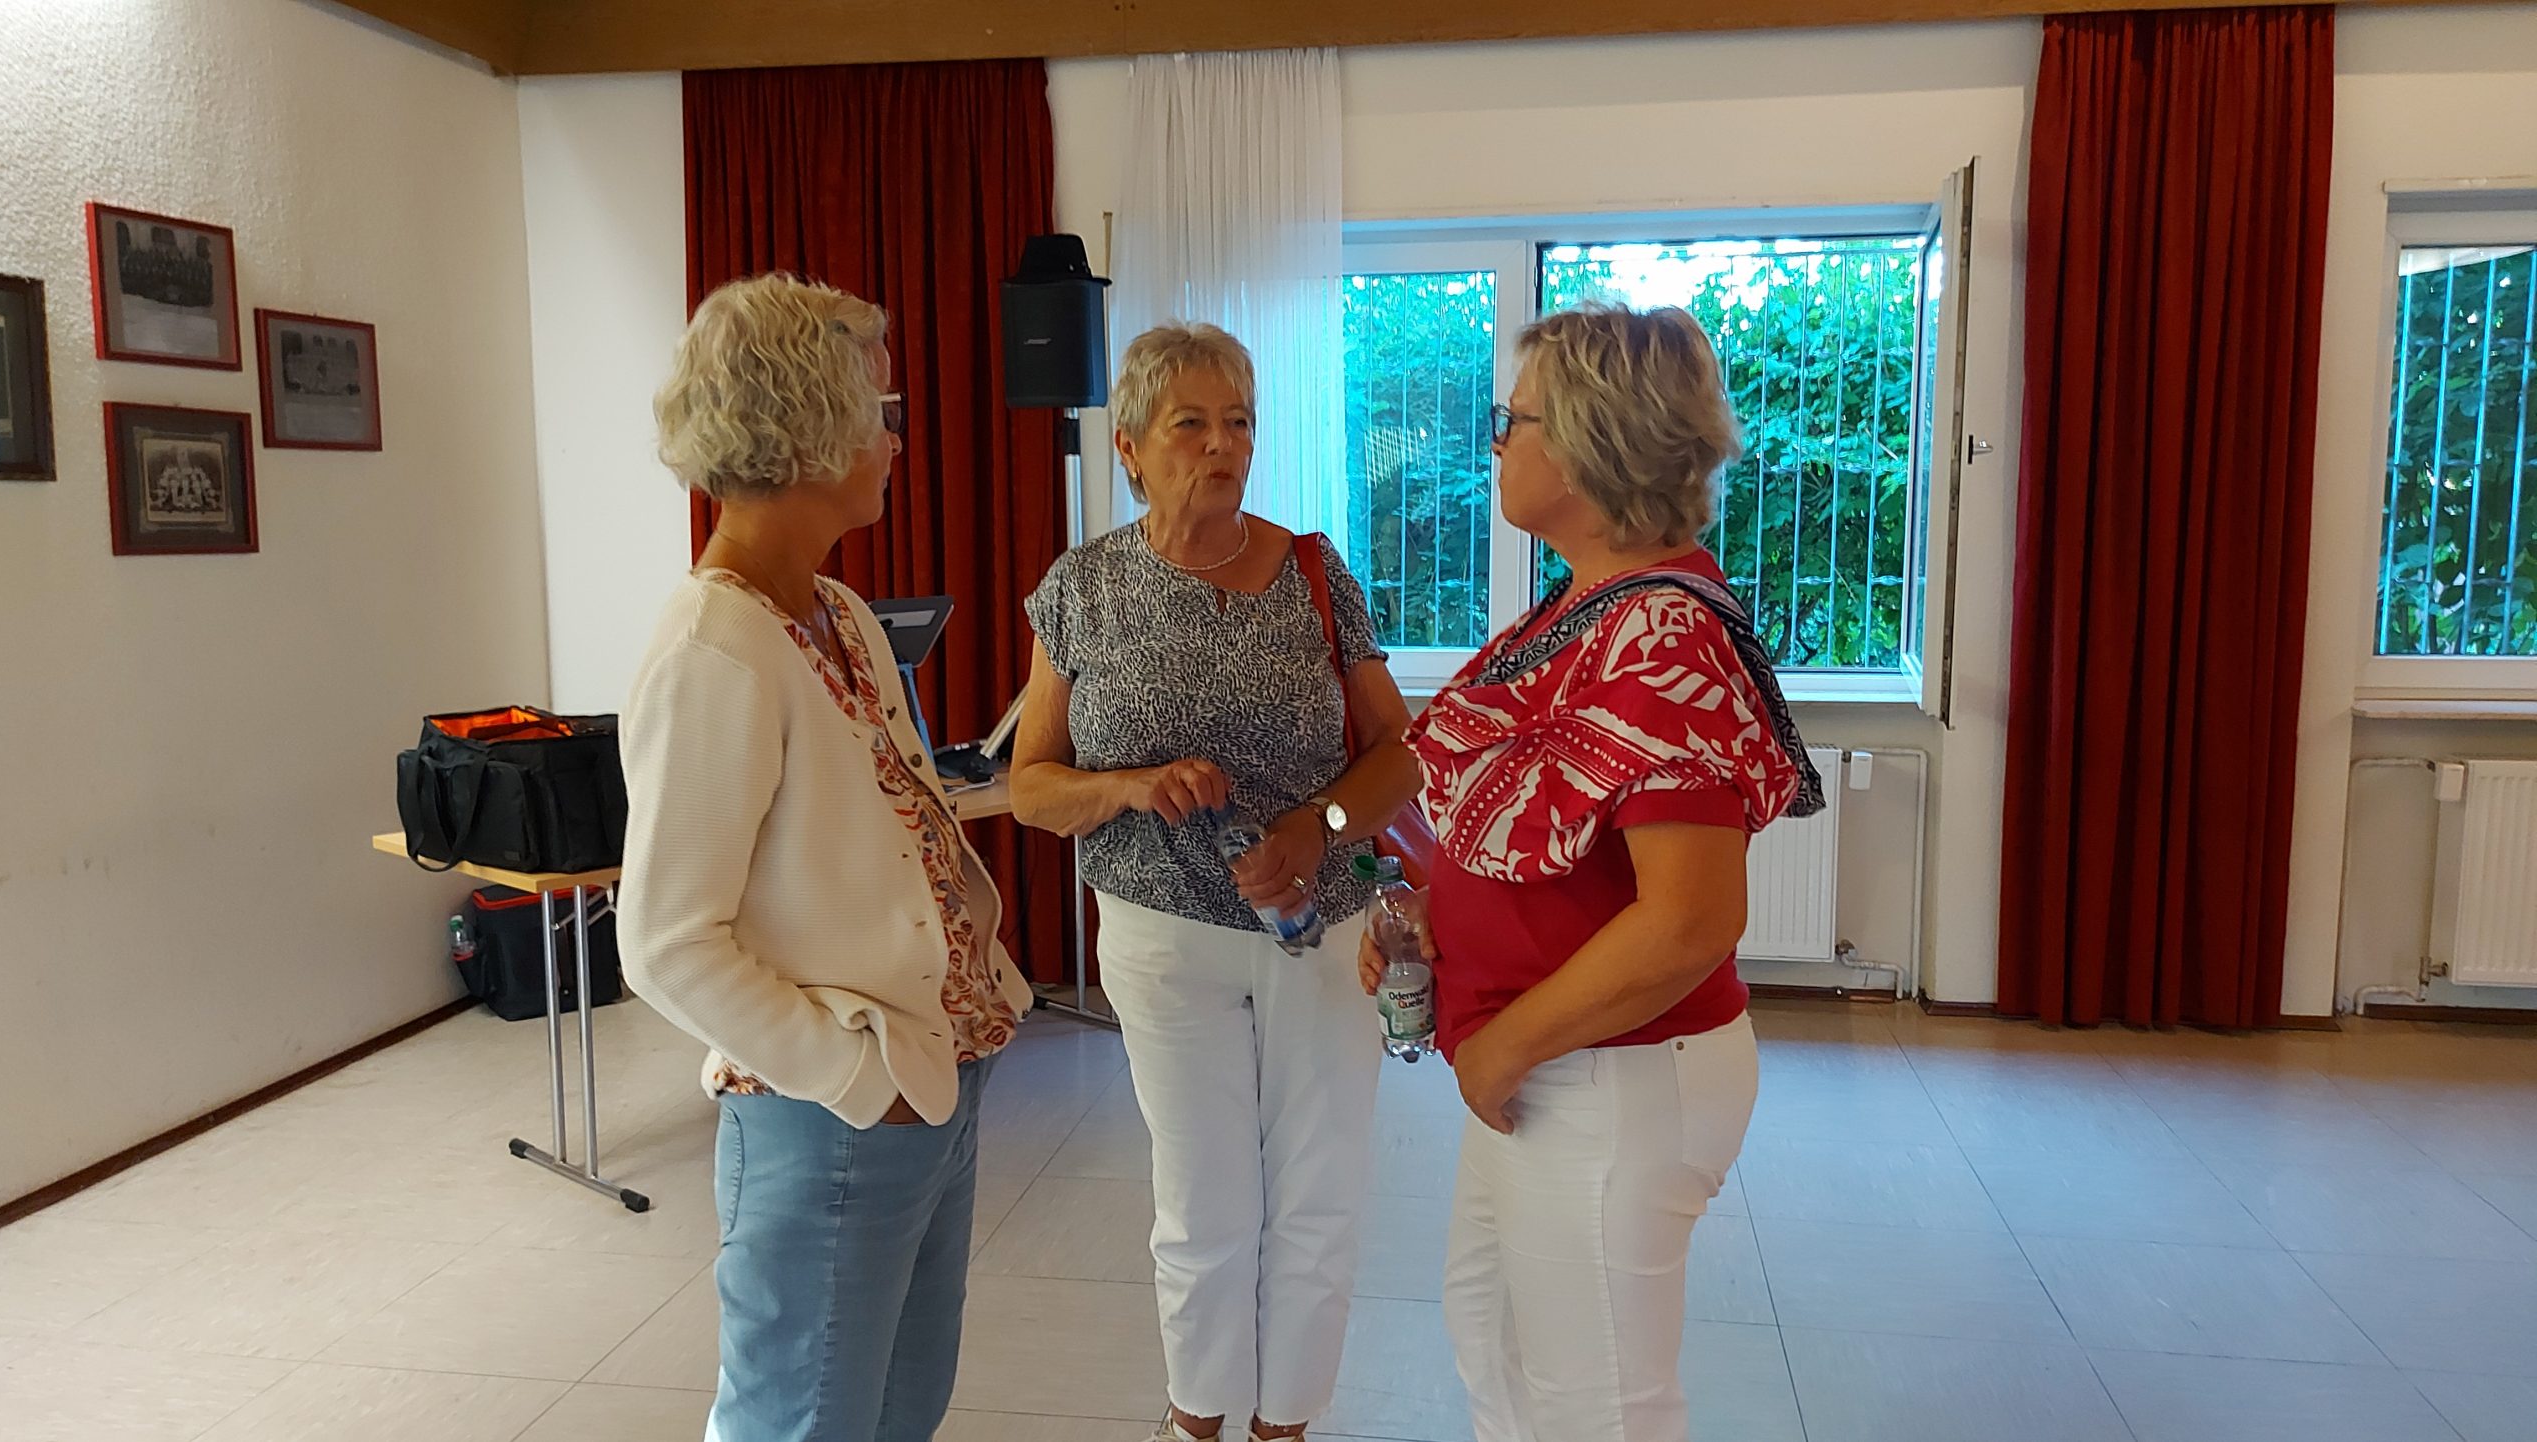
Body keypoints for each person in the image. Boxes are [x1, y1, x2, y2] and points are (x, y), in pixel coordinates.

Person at [1363, 303, 1818, 1442]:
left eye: (1510, 420)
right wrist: (1435, 911)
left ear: (1584, 442)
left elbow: (1690, 921)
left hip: (1608, 1073)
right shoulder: (1586, 606)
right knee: (1500, 1349)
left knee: (1597, 1404)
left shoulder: (1662, 635)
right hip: (1549, 1063)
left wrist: (1507, 1042)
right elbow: (1551, 830)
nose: (1494, 442)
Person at [617, 273, 1030, 1442]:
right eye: (879, 412)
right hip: (832, 1108)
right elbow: (664, 941)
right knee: (800, 1419)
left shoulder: (839, 612)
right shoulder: (715, 648)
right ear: (808, 427)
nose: (895, 439)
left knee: (900, 1405)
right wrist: (856, 1079)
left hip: (932, 1073)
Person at [1009, 322, 1423, 1442]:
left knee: (1319, 1194)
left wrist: (1315, 825)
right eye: (1190, 423)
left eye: (1237, 421)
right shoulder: (1083, 588)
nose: (1220, 444)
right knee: (1202, 1202)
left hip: (1319, 928)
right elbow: (1031, 786)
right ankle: (1198, 1418)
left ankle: (1286, 1424)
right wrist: (1132, 785)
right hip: (1160, 937)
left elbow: (1399, 752)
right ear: (1131, 447)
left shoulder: (1314, 573)